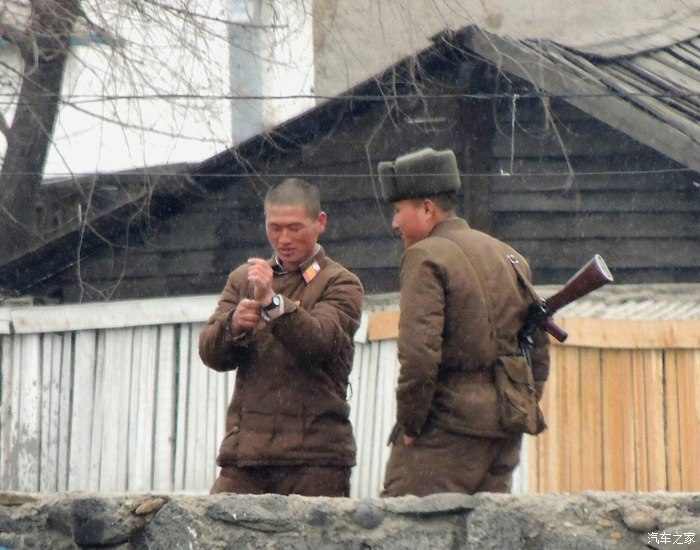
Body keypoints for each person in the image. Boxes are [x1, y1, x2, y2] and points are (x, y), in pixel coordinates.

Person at [377, 147, 550, 496]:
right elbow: (538, 347)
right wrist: (519, 404)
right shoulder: (511, 256)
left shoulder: (425, 255)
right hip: (503, 433)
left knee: (410, 523)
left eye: (398, 211)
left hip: (445, 433)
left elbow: (419, 356)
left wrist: (411, 423)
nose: (395, 223)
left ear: (427, 208)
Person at [199, 177, 364, 496]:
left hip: (315, 457)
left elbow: (320, 342)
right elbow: (209, 352)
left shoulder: (340, 283)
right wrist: (234, 325)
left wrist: (272, 303)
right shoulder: (244, 279)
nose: (284, 239)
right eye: (274, 228)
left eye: (294, 228)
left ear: (320, 223)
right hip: (246, 456)